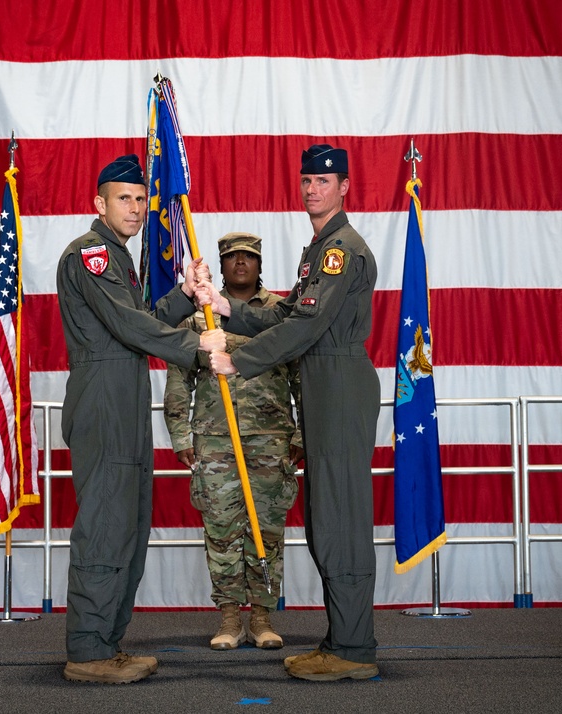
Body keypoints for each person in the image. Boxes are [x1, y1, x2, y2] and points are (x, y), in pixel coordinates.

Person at [204, 144, 381, 681]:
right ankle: (344, 638)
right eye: (306, 180)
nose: (311, 189)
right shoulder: (319, 248)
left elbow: (306, 328)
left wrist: (238, 361)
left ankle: (353, 649)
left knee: (342, 520)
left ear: (344, 187)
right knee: (329, 517)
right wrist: (230, 306)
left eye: (323, 181)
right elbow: (289, 311)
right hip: (323, 385)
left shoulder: (340, 249)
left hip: (339, 383)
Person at [56, 154, 225, 684]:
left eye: (138, 198)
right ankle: (87, 651)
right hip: (103, 399)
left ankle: (107, 642)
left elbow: (142, 322)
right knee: (106, 526)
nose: (134, 207)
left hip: (124, 395)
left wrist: (186, 295)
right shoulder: (91, 256)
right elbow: (130, 326)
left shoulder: (120, 257)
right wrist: (198, 346)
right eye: (122, 198)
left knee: (129, 525)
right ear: (98, 204)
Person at [163, 232, 304, 651]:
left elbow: (301, 376)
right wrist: (180, 433)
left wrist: (302, 432)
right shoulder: (200, 313)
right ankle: (229, 617)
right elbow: (177, 377)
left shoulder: (281, 314)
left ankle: (261, 616)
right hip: (214, 440)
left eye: (249, 258)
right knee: (222, 530)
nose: (240, 264)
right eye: (232, 258)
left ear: (260, 265)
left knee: (267, 530)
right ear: (221, 267)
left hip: (270, 441)